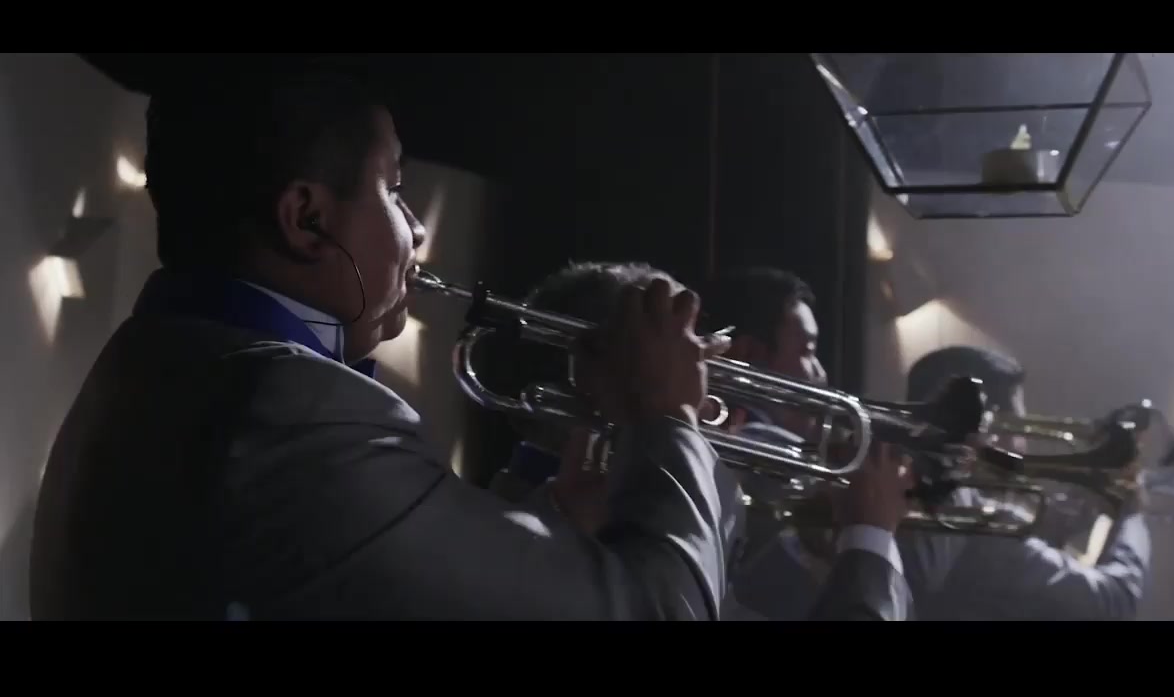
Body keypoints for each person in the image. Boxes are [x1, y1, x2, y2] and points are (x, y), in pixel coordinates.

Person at [29, 69, 738, 620]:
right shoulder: (289, 411)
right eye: (394, 190)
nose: (416, 230)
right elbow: (661, 610)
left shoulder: (160, 360)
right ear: (307, 219)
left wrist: (552, 527)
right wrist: (667, 416)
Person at [488, 261, 914, 621]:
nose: (709, 399)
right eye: (686, 367)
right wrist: (870, 534)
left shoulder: (568, 526)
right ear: (610, 384)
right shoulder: (513, 564)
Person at [701, 267, 914, 621]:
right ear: (746, 353)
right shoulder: (763, 454)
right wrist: (870, 529)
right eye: (807, 351)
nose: (820, 373)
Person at [895, 345, 1152, 621]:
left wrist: (1081, 508)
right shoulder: (976, 521)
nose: (1023, 444)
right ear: (986, 427)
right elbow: (1113, 602)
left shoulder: (918, 494)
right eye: (1020, 426)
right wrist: (1131, 513)